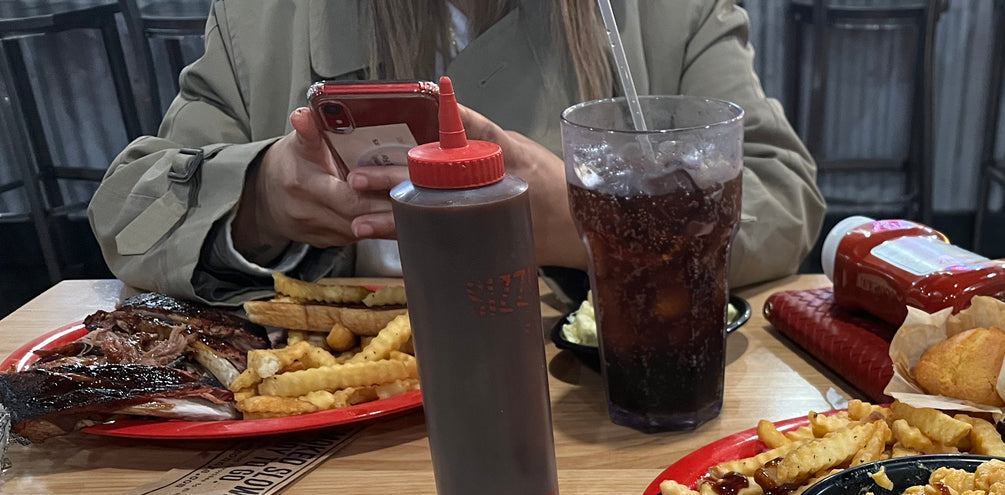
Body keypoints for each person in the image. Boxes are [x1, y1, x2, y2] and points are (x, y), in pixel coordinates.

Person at [89, 0, 824, 303]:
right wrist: (259, 197)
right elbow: (134, 205)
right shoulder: (264, 18)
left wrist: (591, 223)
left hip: (592, 422)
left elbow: (780, 196)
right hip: (316, 463)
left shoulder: (669, 14)